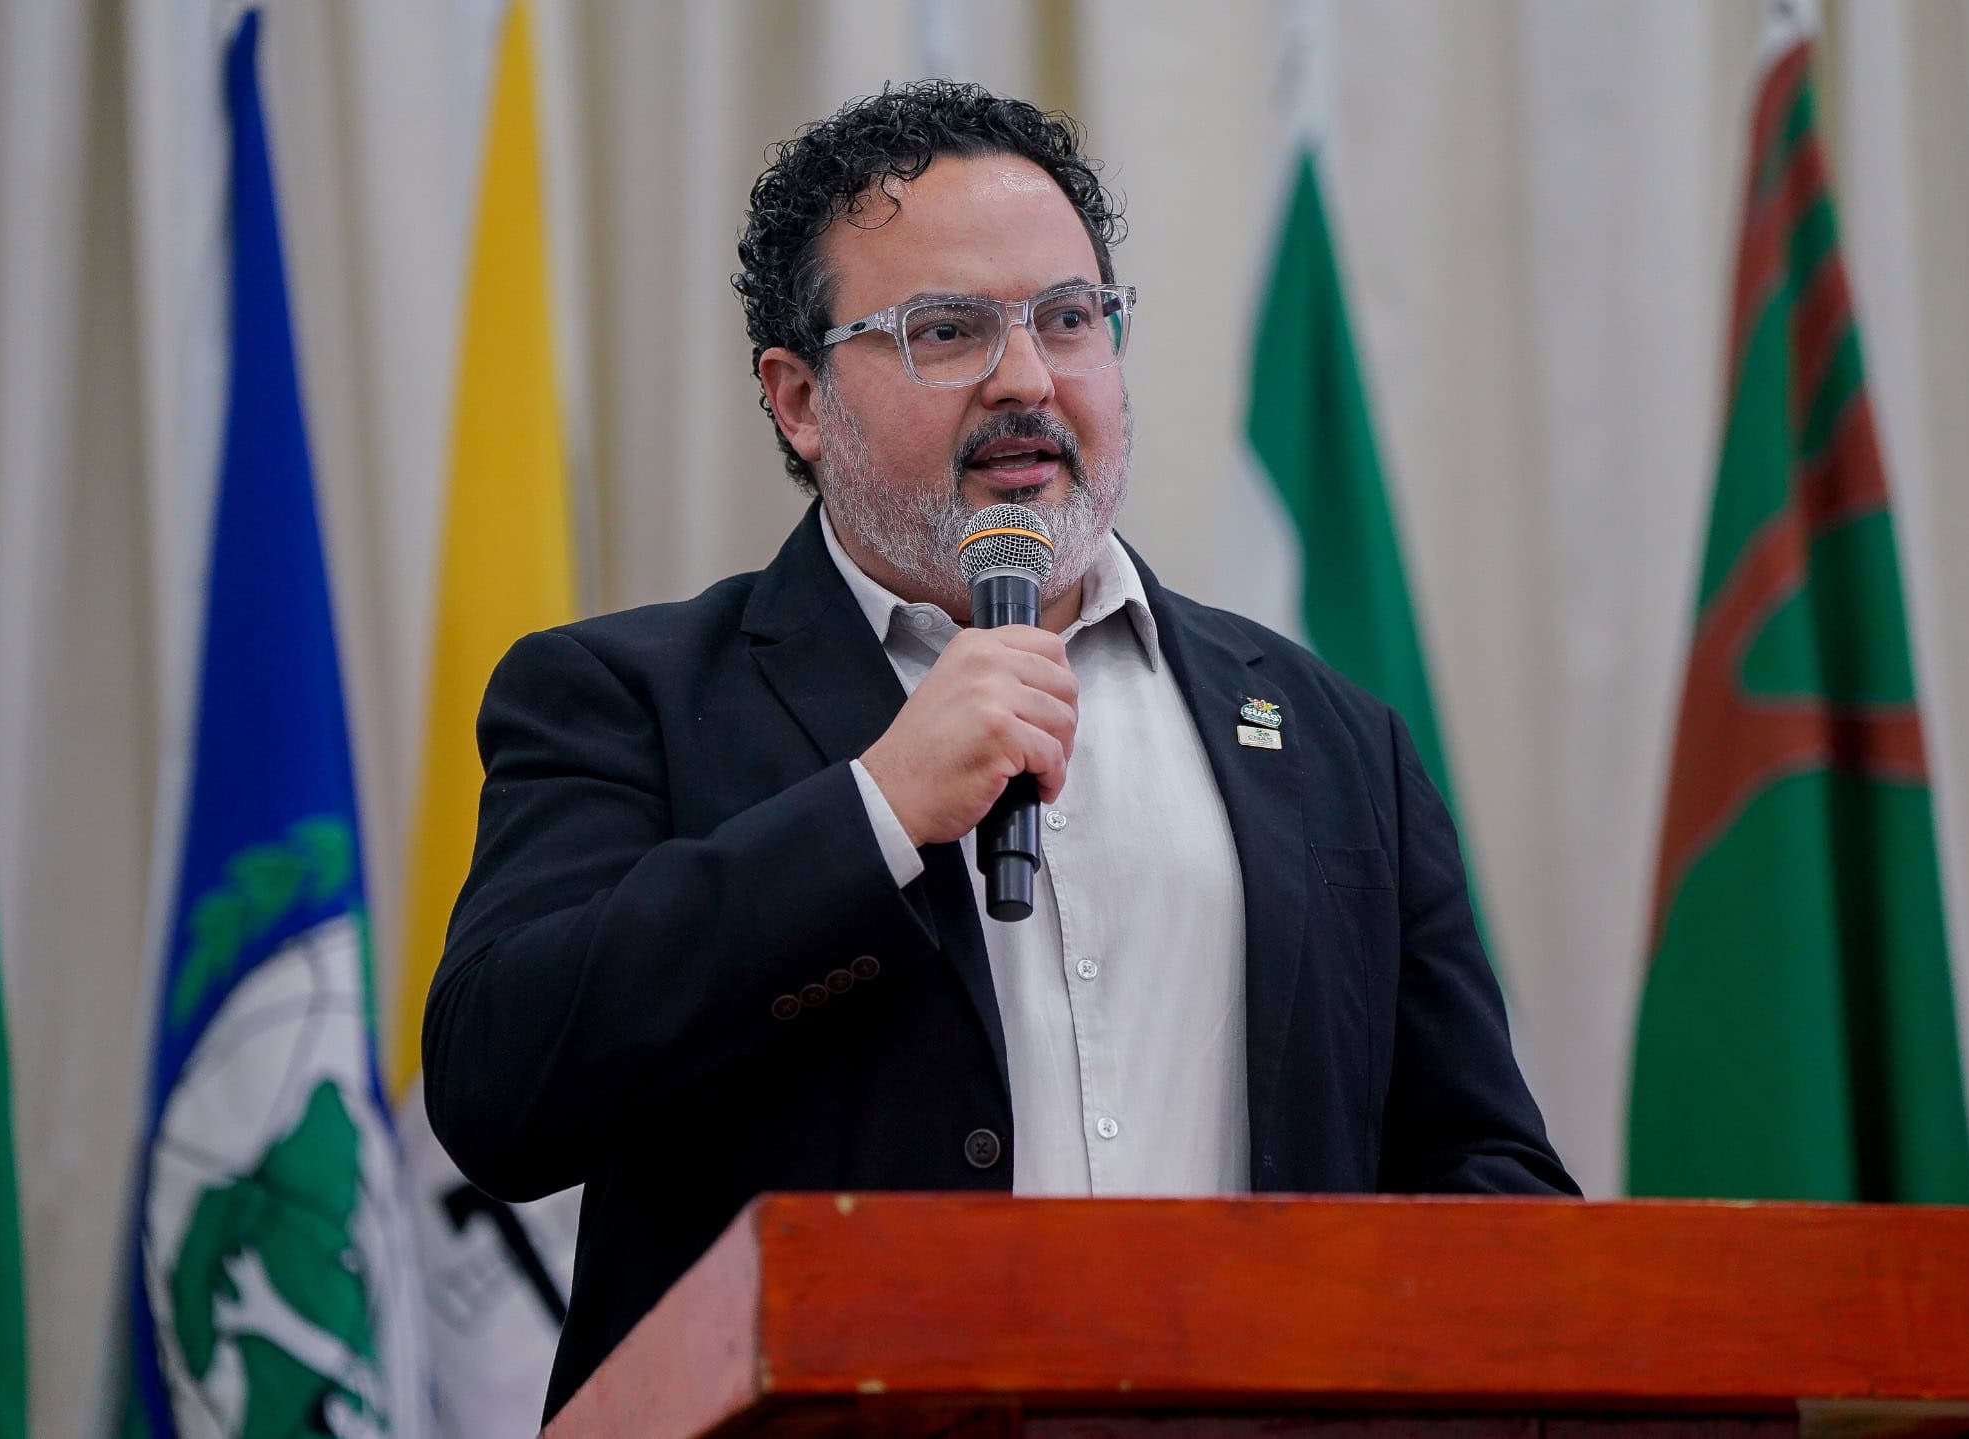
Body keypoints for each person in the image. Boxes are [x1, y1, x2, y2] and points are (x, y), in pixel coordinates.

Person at [421, 79, 1575, 1423]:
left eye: (1069, 319)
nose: (1027, 379)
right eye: (947, 330)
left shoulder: (1330, 737)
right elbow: (502, 1087)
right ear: (798, 401)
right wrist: (875, 812)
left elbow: (1486, 1176)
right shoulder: (626, 696)